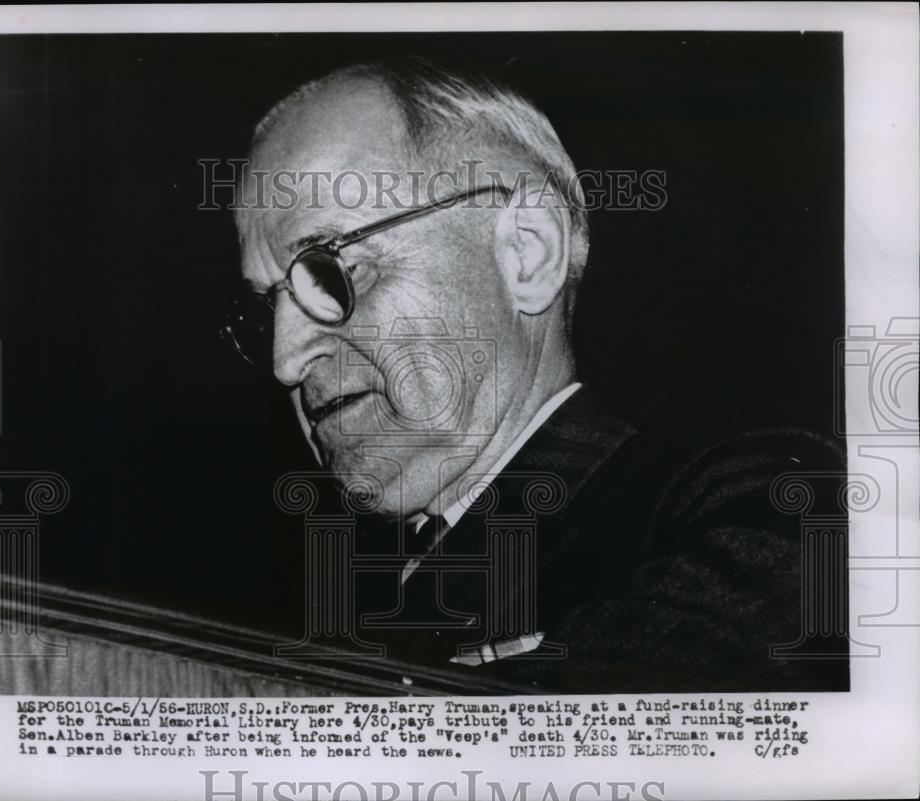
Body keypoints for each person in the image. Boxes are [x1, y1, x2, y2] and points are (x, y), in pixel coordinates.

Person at [224, 58, 848, 692]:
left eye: (331, 273)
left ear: (527, 253)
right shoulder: (340, 600)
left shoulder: (750, 497)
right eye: (269, 305)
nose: (286, 360)